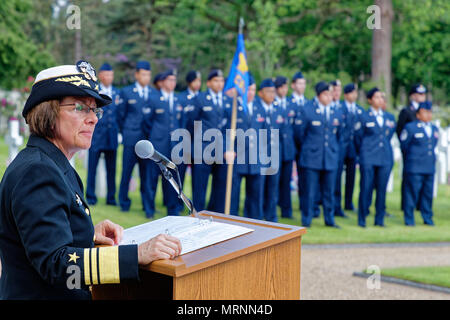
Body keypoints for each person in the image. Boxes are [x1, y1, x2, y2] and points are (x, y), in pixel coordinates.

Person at [0, 61, 181, 299]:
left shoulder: (51, 163)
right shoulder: (38, 171)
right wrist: (136, 254)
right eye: (80, 108)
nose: (93, 119)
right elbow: (57, 265)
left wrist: (87, 235)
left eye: (94, 110)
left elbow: (41, 239)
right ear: (47, 112)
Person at [294, 81, 342, 228]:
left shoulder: (336, 111)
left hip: (329, 157)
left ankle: (329, 219)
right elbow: (299, 135)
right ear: (319, 95)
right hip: (311, 158)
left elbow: (339, 135)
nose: (330, 97)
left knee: (329, 191)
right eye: (326, 94)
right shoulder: (307, 110)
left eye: (331, 94)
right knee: (309, 191)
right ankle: (306, 219)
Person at [184, 69, 231, 212]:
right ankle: (197, 215)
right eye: (216, 80)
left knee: (220, 188)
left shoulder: (227, 101)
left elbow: (229, 126)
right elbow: (191, 123)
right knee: (199, 188)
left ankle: (216, 216)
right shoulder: (200, 99)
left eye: (221, 81)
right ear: (209, 83)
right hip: (202, 150)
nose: (219, 84)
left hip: (221, 151)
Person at [143, 70, 183, 216]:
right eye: (170, 79)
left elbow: (181, 122)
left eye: (174, 80)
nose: (172, 83)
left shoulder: (178, 100)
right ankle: (149, 209)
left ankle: (172, 209)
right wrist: (155, 136)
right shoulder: (154, 99)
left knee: (171, 179)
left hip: (174, 147)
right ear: (163, 82)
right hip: (157, 145)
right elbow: (147, 122)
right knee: (151, 179)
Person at [225, 74, 266, 219]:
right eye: (248, 90)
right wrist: (226, 149)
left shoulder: (259, 108)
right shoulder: (232, 107)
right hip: (237, 158)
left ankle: (255, 222)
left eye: (253, 90)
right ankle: (231, 223)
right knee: (233, 195)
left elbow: (265, 133)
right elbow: (223, 131)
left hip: (255, 159)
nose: (251, 93)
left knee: (255, 196)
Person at [354, 87, 396, 228]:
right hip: (368, 157)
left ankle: (379, 219)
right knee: (366, 188)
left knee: (382, 190)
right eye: (377, 97)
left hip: (384, 157)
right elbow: (358, 137)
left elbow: (388, 136)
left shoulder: (389, 117)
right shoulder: (364, 117)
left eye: (382, 97)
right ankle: (362, 218)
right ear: (370, 100)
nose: (380, 100)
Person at [117, 60, 154, 217]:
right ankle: (124, 202)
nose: (146, 77)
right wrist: (125, 132)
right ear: (137, 74)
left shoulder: (154, 93)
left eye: (148, 75)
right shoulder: (126, 92)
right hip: (131, 139)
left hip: (147, 142)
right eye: (143, 74)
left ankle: (147, 206)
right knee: (127, 172)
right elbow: (120, 115)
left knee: (146, 175)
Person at [86, 62, 120, 206]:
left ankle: (111, 198)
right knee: (92, 168)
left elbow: (121, 114)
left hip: (112, 136)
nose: (109, 77)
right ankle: (90, 197)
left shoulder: (118, 93)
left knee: (112, 169)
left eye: (111, 74)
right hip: (97, 136)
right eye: (106, 74)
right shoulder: (94, 91)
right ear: (100, 76)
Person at [400, 101, 438, 226]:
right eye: (424, 112)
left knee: (427, 194)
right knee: (411, 194)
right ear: (418, 114)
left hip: (428, 166)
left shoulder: (434, 128)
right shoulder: (411, 128)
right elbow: (404, 145)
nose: (428, 115)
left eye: (429, 112)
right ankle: (409, 218)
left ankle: (427, 217)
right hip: (414, 166)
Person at [333, 83, 363, 216]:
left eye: (355, 93)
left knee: (351, 176)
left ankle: (349, 202)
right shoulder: (339, 108)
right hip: (340, 147)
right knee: (337, 177)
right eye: (352, 93)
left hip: (353, 147)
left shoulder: (358, 110)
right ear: (346, 95)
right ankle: (336, 205)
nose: (354, 95)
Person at [397, 83, 427, 211]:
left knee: (422, 178)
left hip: (422, 151)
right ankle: (406, 204)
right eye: (419, 94)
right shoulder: (407, 111)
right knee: (408, 178)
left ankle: (420, 204)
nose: (422, 97)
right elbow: (400, 131)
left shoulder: (425, 110)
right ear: (413, 96)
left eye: (423, 94)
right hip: (410, 150)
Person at [257, 78, 284, 222]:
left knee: (273, 188)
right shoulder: (256, 107)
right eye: (268, 91)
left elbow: (283, 133)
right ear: (260, 93)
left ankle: (271, 217)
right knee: (259, 188)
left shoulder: (278, 109)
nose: (271, 94)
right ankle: (259, 216)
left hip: (274, 155)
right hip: (259, 155)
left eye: (273, 91)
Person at [275, 76, 296, 219]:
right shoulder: (272, 103)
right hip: (275, 151)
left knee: (286, 181)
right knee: (273, 182)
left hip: (288, 149)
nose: (285, 89)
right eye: (282, 87)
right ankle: (270, 209)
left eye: (286, 87)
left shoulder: (290, 104)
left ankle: (286, 210)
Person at [290, 71, 309, 215]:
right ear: (293, 85)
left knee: (305, 178)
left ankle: (305, 206)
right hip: (290, 145)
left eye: (304, 83)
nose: (302, 86)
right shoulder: (288, 102)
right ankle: (285, 206)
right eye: (299, 83)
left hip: (304, 147)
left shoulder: (308, 104)